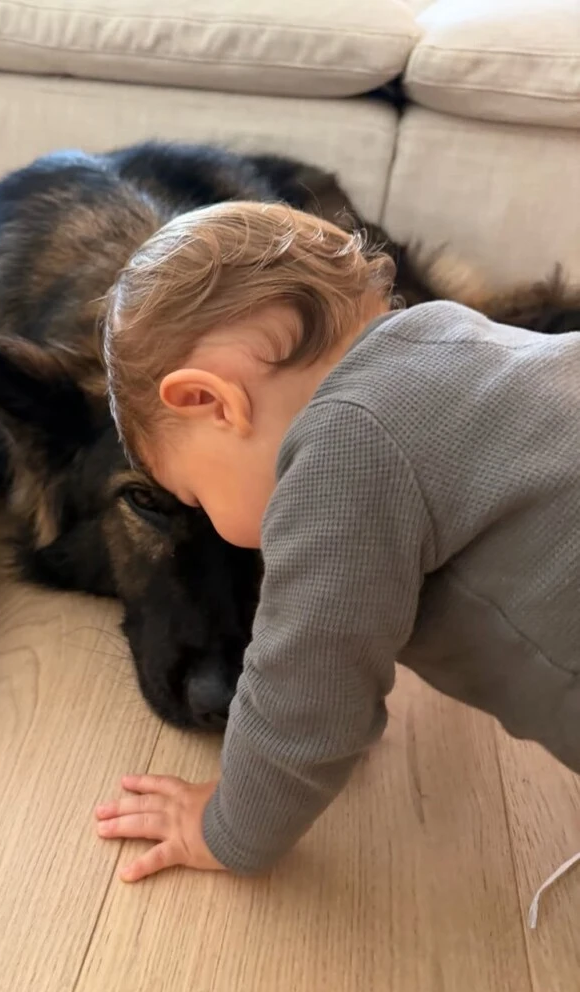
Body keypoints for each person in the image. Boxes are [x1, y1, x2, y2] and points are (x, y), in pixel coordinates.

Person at [94, 201, 580, 883]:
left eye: (195, 497)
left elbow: (308, 692)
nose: (210, 522)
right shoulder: (459, 334)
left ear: (209, 402)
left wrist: (226, 828)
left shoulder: (340, 450)